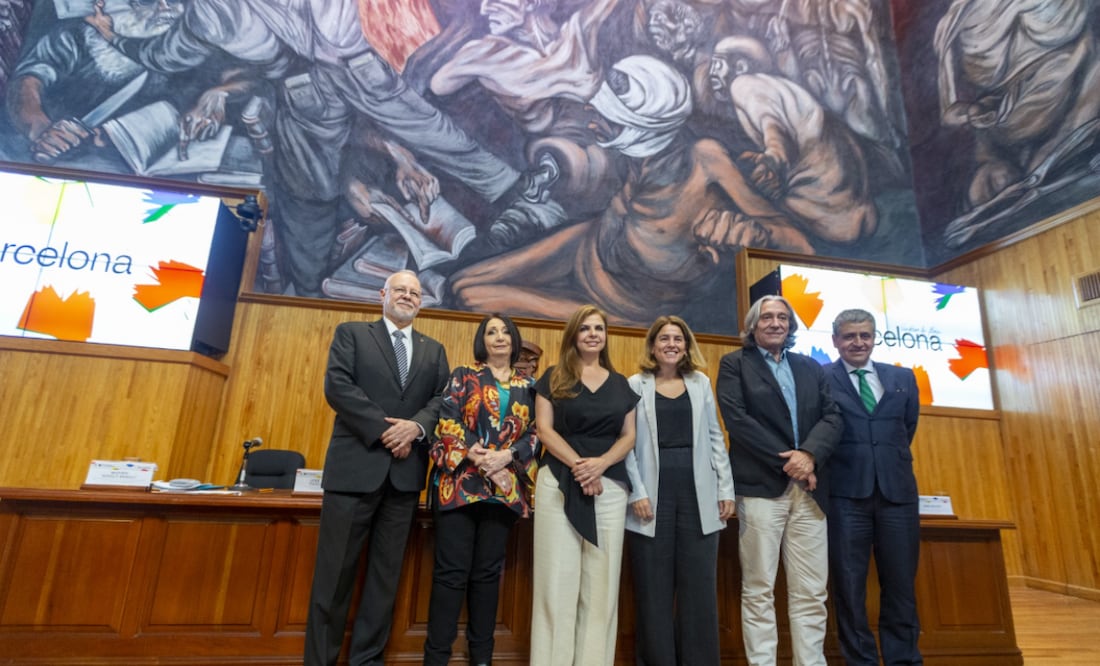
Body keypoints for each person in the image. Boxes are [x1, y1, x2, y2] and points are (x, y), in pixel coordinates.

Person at [304, 269, 450, 666]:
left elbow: (440, 400)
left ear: (422, 302)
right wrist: (387, 432)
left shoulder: (433, 350)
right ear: (382, 295)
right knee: (333, 579)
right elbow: (338, 387)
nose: (407, 296)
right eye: (400, 290)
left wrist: (416, 427)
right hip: (354, 474)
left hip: (403, 481)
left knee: (384, 582)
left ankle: (366, 660)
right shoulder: (351, 334)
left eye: (415, 293)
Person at [716, 294, 842, 666]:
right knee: (758, 588)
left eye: (782, 317)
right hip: (760, 490)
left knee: (811, 591)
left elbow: (832, 417)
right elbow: (737, 421)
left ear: (790, 326)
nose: (775, 323)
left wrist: (809, 456)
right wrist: (790, 462)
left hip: (811, 491)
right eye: (767, 317)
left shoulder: (811, 367)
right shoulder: (734, 364)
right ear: (753, 325)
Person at [423, 313, 539, 666]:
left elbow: (536, 434)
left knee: (488, 575)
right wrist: (482, 458)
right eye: (492, 331)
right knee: (450, 573)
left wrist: (506, 457)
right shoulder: (463, 376)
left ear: (514, 340)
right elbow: (447, 421)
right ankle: (436, 658)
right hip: (460, 486)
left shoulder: (531, 386)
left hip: (503, 491)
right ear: (482, 340)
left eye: (506, 331)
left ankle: (482, 658)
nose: (500, 337)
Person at [530, 304, 639, 665]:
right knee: (556, 585)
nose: (593, 334)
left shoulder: (621, 383)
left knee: (602, 587)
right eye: (585, 328)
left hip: (609, 487)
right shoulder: (553, 376)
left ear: (606, 336)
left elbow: (629, 437)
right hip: (559, 482)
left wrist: (602, 465)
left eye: (599, 329)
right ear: (573, 335)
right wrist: (580, 467)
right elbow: (544, 430)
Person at [624, 315, 736, 665]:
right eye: (664, 339)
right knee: (653, 589)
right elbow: (625, 444)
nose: (671, 344)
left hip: (698, 490)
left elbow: (716, 438)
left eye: (678, 339)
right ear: (653, 346)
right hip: (651, 494)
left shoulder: (700, 382)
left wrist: (725, 489)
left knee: (699, 589)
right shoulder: (634, 385)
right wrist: (636, 491)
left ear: (687, 346)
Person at [825, 308, 922, 665]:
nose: (858, 342)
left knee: (900, 586)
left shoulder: (902, 378)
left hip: (897, 497)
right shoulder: (822, 379)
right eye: (850, 336)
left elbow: (905, 429)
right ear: (836, 341)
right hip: (846, 497)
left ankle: (903, 659)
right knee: (849, 589)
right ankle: (860, 660)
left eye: (865, 335)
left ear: (874, 338)